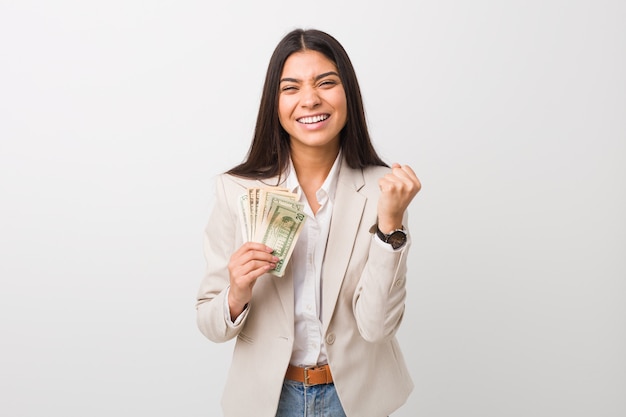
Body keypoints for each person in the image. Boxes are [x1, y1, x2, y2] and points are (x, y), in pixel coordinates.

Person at [196, 28, 421, 417]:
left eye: (326, 83)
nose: (310, 99)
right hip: (269, 400)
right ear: (274, 103)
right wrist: (236, 292)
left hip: (356, 400)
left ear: (347, 93)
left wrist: (391, 226)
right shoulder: (236, 191)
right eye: (291, 88)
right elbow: (211, 324)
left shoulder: (382, 192)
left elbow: (377, 327)